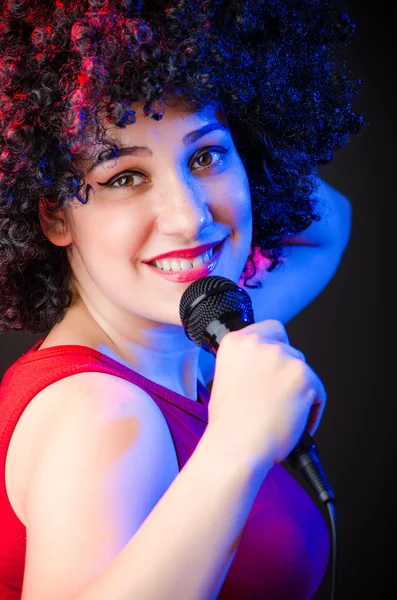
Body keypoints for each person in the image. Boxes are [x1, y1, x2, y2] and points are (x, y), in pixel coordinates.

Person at [0, 0, 363, 598]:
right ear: (53, 212)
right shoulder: (102, 411)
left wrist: (264, 159)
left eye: (206, 156)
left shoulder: (191, 339)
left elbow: (328, 226)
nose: (190, 217)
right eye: (123, 177)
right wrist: (238, 443)